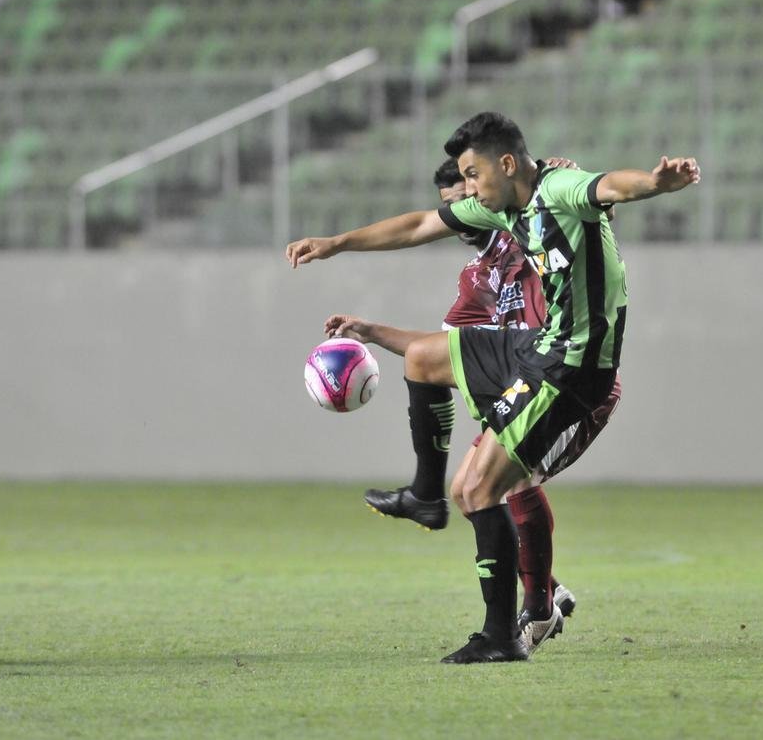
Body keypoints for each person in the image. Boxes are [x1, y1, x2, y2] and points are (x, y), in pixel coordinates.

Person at [287, 111, 699, 663]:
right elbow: (417, 225)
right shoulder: (504, 208)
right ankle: (425, 496)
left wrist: (654, 183)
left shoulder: (560, 188)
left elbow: (608, 186)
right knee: (424, 358)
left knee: (479, 491)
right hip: (538, 346)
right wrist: (337, 243)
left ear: (506, 164)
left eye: (473, 174)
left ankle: (502, 635)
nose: (469, 188)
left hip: (571, 368)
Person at [347, 156, 623, 654]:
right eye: (450, 206)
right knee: (472, 488)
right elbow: (443, 350)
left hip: (570, 384)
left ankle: (539, 606)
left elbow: (591, 222)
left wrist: (557, 177)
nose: (459, 216)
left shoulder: (525, 223)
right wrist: (372, 332)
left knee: (504, 484)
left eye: (467, 197)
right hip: (519, 382)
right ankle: (542, 594)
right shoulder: (477, 276)